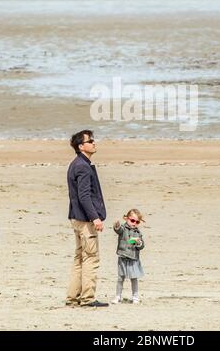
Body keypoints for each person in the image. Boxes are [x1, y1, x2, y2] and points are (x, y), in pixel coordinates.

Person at [66, 129, 108, 307]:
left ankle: (73, 297)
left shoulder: (77, 163)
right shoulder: (82, 166)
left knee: (80, 258)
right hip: (84, 220)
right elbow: (84, 196)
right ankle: (87, 298)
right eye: (90, 141)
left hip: (76, 218)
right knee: (91, 257)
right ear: (81, 146)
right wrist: (95, 218)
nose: (94, 143)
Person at [112, 208, 145, 304]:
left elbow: (142, 246)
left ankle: (135, 296)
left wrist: (139, 243)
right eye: (132, 220)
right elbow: (118, 230)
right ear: (126, 219)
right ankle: (118, 296)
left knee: (134, 278)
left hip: (133, 258)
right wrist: (116, 226)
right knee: (120, 278)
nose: (134, 223)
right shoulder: (123, 228)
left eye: (137, 222)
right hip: (123, 256)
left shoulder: (138, 233)